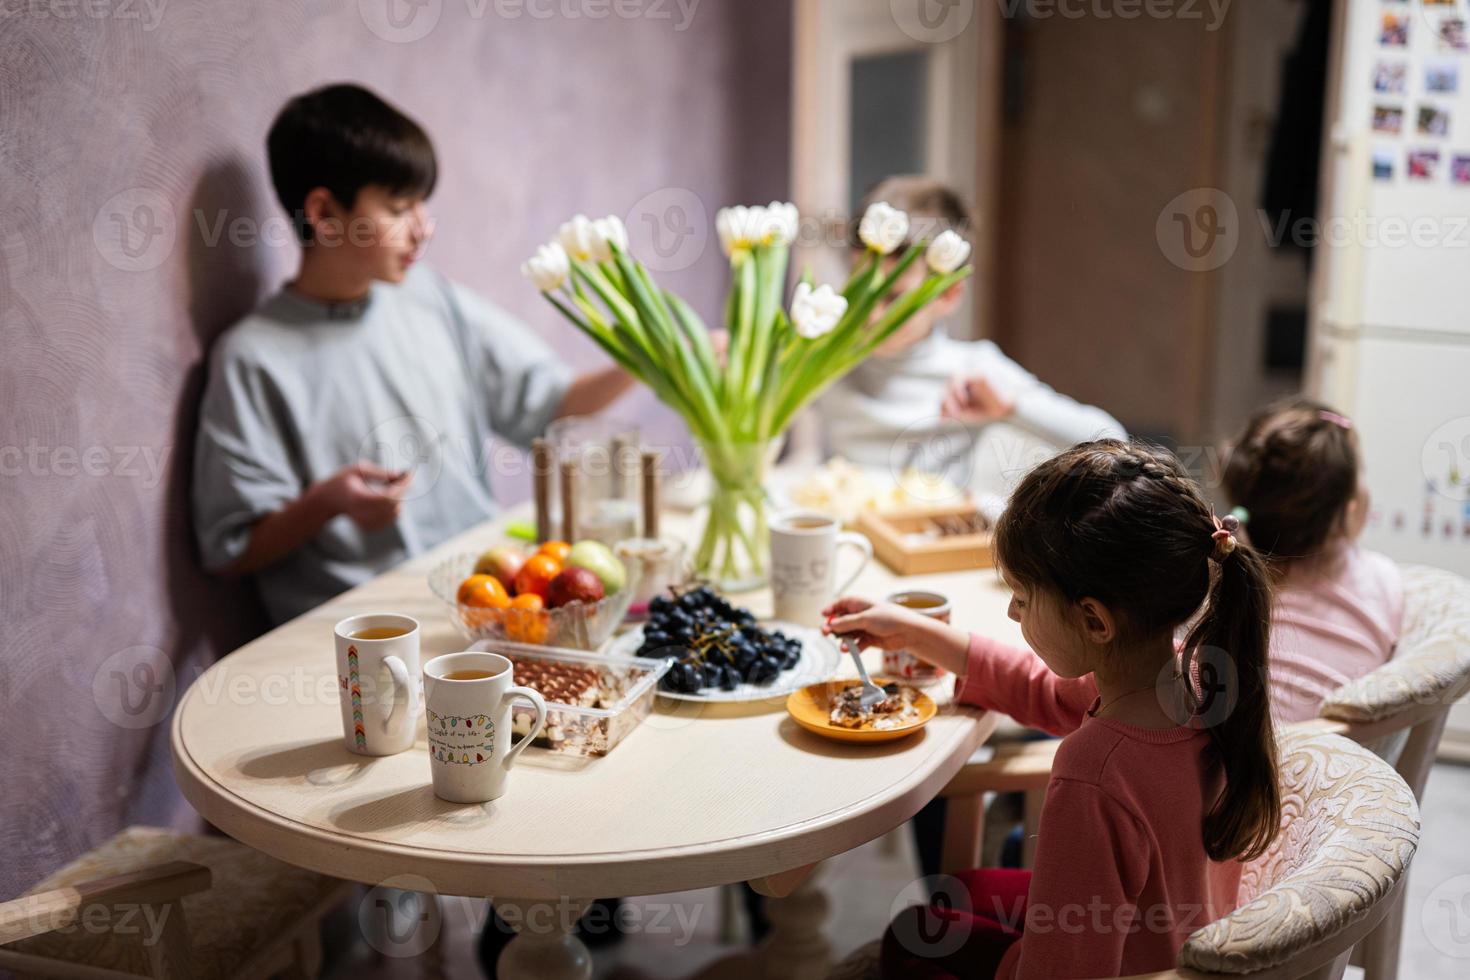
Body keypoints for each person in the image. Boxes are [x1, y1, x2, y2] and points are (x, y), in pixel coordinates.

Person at [823, 440, 1281, 979]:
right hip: (1171, 935)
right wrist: (917, 633)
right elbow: (1040, 689)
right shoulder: (1197, 676)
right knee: (965, 891)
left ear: (1094, 622)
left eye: (1022, 594)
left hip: (1125, 965)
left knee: (912, 937)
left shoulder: (1094, 775)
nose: (1011, 609)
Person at [193, 84, 634, 625]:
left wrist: (651, 359)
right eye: (399, 207)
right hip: (363, 635)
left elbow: (550, 407)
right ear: (325, 213)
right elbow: (231, 550)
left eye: (422, 204)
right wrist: (326, 503)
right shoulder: (253, 359)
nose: (423, 227)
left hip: (482, 611)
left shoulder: (432, 299)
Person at [794, 176, 1125, 514]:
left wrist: (1010, 408)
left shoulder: (972, 369)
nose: (872, 314)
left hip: (928, 542)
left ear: (949, 295)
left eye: (893, 297)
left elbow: (1112, 442)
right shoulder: (825, 358)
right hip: (848, 534)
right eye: (862, 289)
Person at [1222, 397, 1403, 724]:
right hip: (1337, 764)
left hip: (1232, 762)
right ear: (1348, 509)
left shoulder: (1227, 584)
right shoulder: (1384, 579)